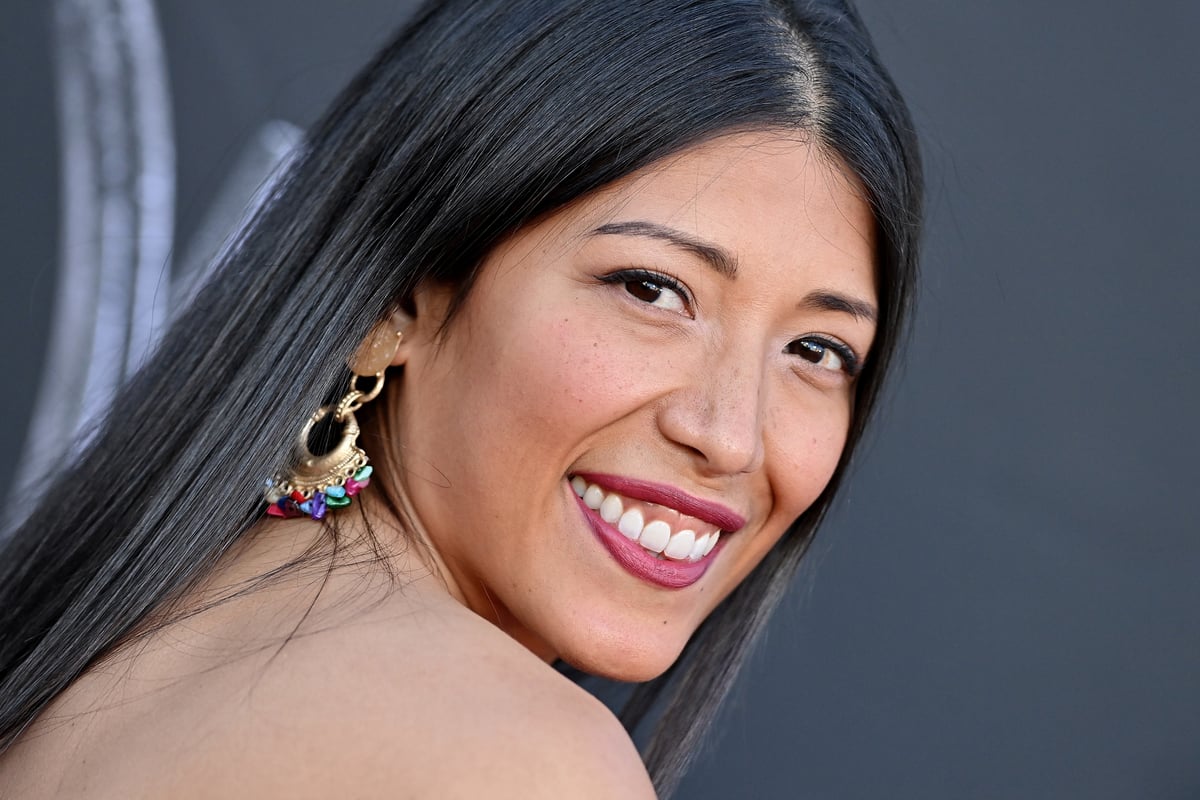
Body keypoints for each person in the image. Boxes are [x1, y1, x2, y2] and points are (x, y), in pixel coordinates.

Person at [0, 0, 922, 796]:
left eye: (816, 350)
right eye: (651, 289)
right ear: (399, 301)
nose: (729, 436)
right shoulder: (525, 764)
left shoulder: (130, 645)